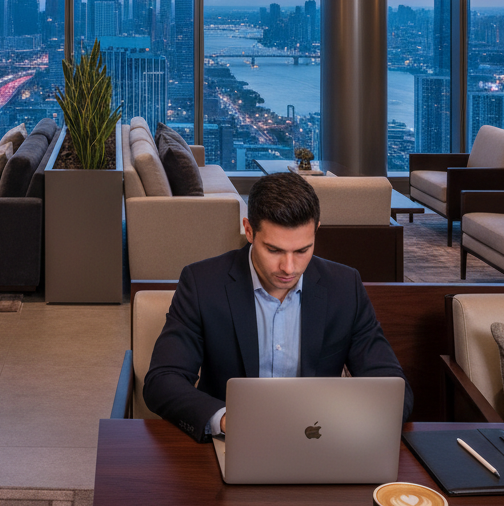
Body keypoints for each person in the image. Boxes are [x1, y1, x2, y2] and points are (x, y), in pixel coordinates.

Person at [143, 171, 412, 440]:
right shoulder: (202, 283)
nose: (289, 268)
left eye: (302, 250)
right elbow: (162, 381)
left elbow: (394, 387)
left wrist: (347, 425)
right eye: (274, 250)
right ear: (249, 230)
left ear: (316, 229)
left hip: (320, 440)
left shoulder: (344, 286)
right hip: (231, 441)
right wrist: (226, 421)